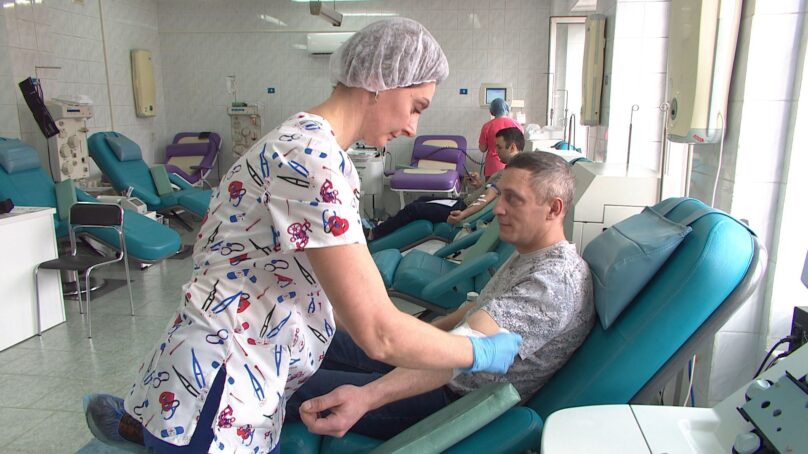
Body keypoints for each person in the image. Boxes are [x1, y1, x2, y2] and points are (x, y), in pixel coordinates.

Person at [82, 18, 521, 454]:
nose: (412, 127)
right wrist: (476, 353)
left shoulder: (314, 149)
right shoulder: (311, 159)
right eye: (416, 106)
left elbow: (345, 305)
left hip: (246, 378)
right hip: (220, 388)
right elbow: (378, 332)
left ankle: (135, 426)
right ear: (380, 81)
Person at [284, 151, 596, 440]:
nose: (499, 208)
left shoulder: (553, 284)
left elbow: (466, 350)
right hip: (436, 363)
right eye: (501, 195)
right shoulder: (529, 252)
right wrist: (417, 334)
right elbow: (474, 311)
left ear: (554, 208)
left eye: (513, 199)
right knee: (314, 337)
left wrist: (366, 397)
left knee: (287, 382)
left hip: (448, 396)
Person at [368, 127, 525, 240]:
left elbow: (487, 198)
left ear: (512, 147)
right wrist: (478, 184)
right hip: (460, 203)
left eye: (499, 147)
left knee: (413, 209)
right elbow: (487, 192)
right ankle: (382, 228)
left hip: (460, 208)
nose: (496, 151)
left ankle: (374, 233)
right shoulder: (509, 170)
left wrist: (463, 215)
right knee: (421, 200)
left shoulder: (508, 174)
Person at [479, 98, 522, 179]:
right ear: (507, 108)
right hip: (513, 165)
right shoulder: (516, 124)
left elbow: (482, 148)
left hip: (493, 166)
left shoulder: (487, 126)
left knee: (491, 186)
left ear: (492, 111)